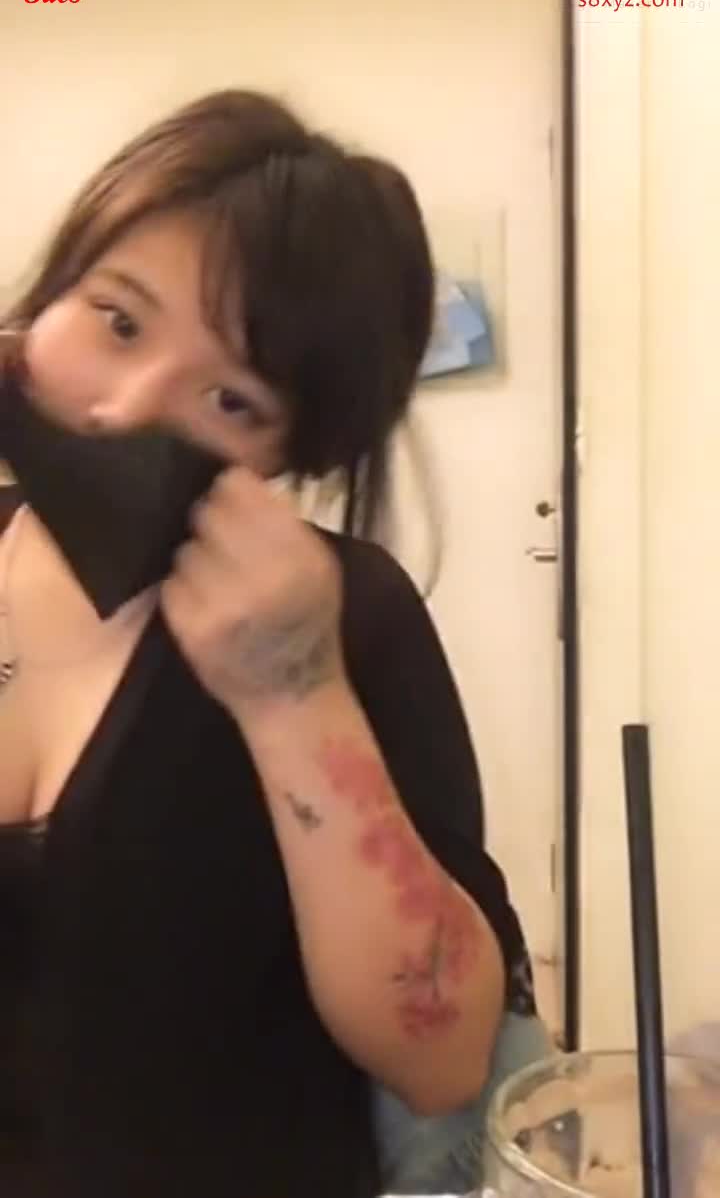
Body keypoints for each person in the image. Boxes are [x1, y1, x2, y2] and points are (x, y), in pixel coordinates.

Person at [0, 90, 550, 1198]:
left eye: (232, 399)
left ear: (292, 454)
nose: (128, 410)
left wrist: (293, 694)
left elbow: (442, 1058)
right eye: (117, 321)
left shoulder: (348, 617)